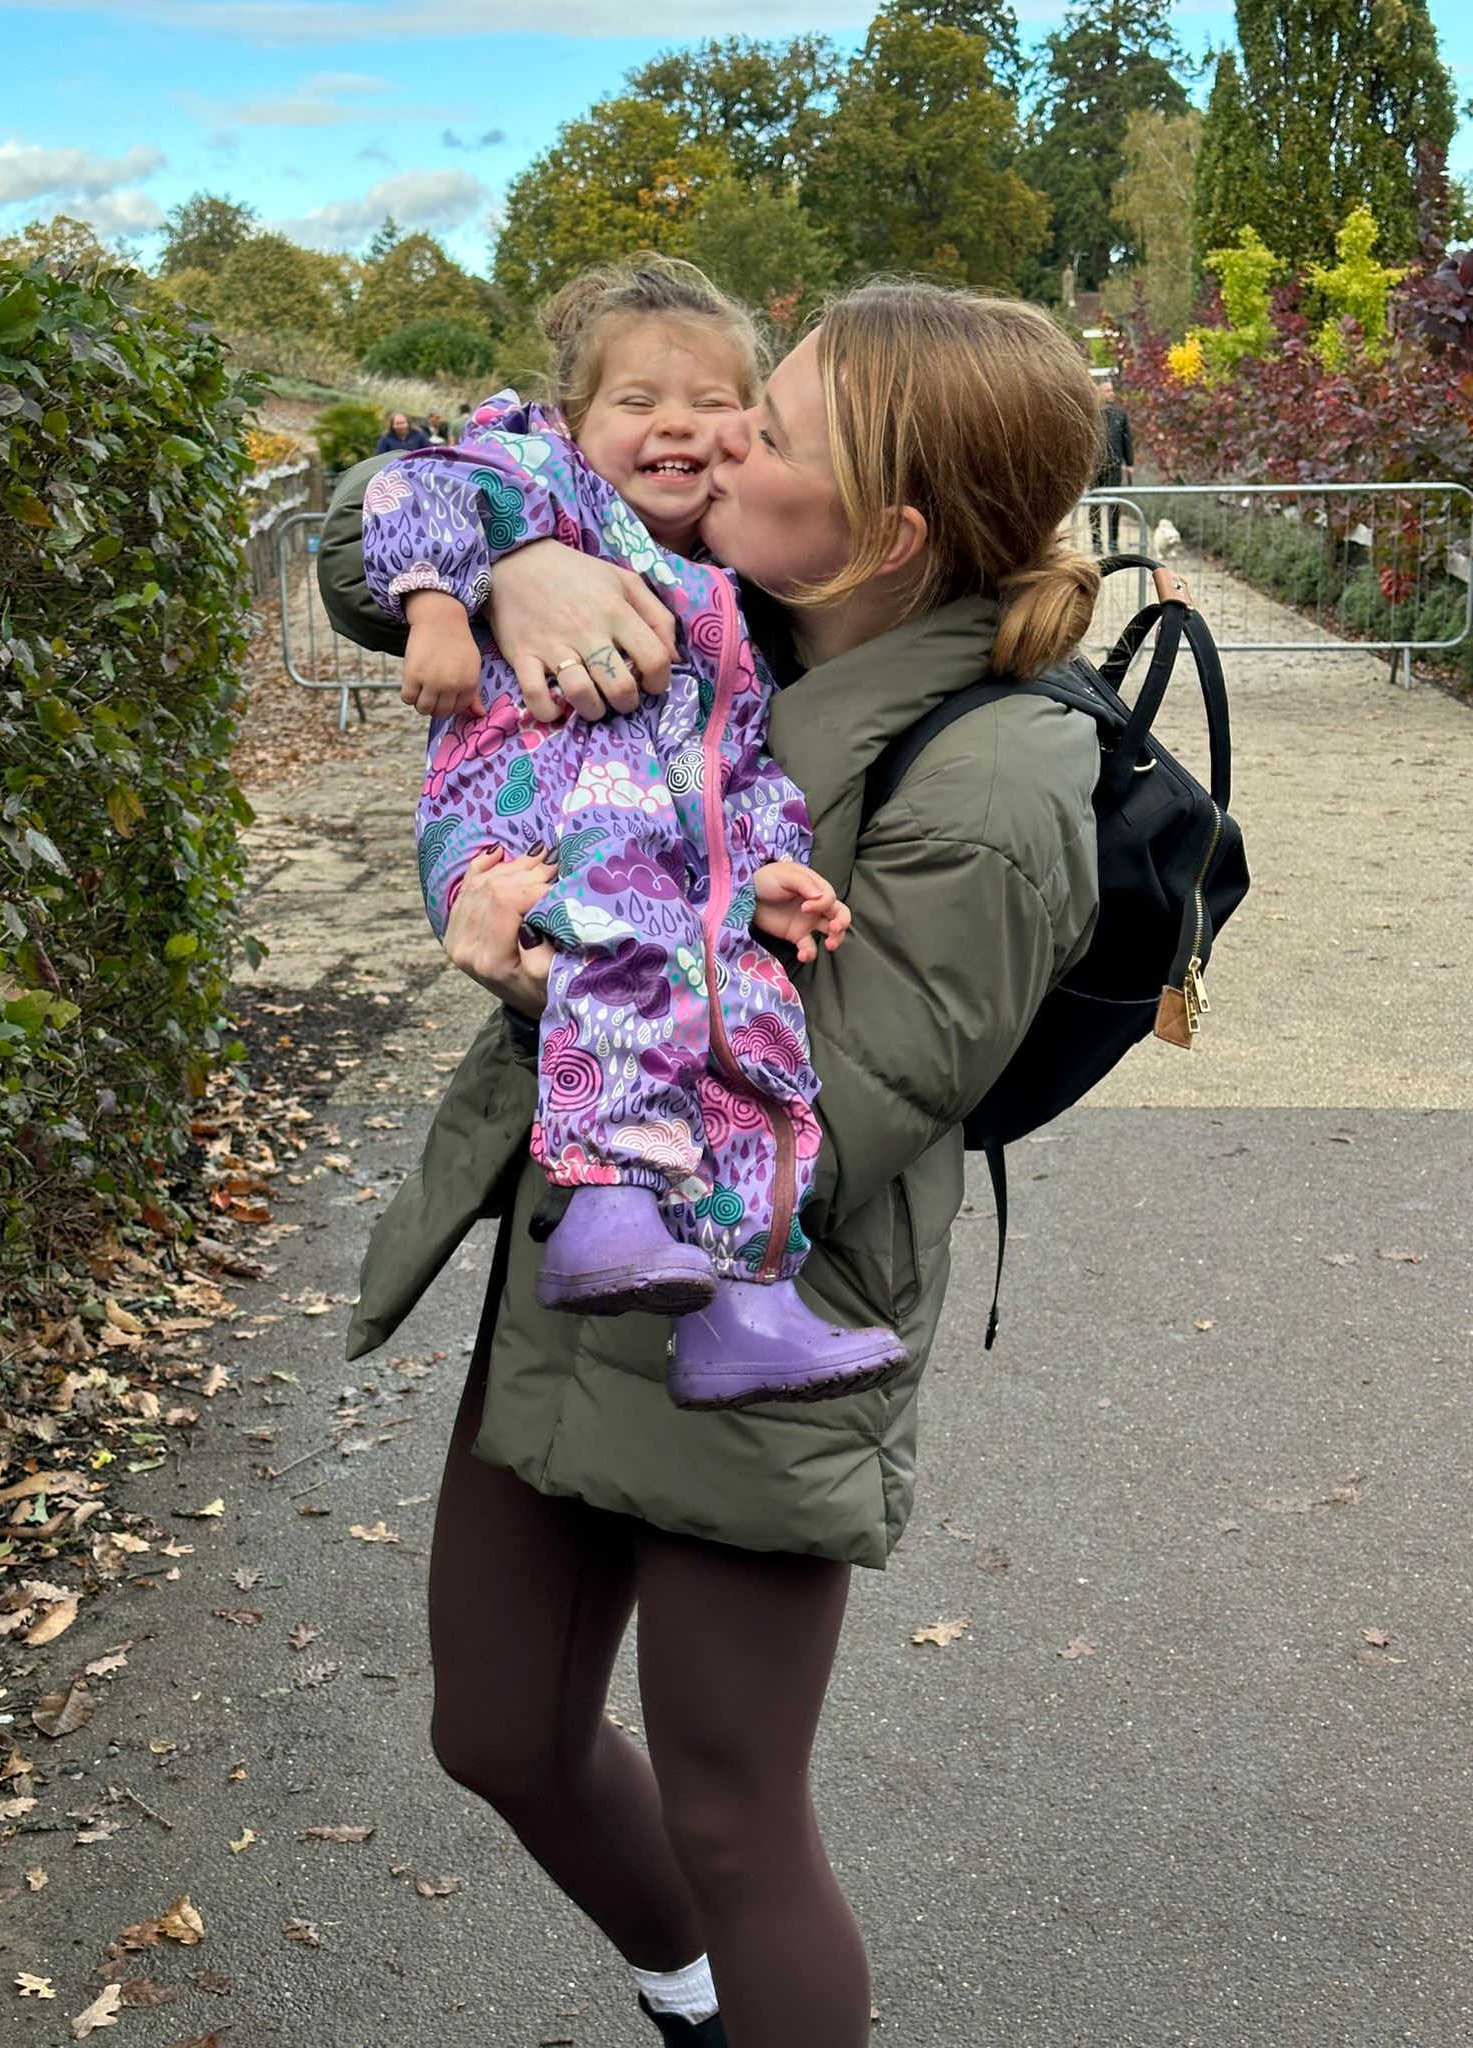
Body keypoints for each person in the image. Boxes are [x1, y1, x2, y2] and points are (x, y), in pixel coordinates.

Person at [332, 280, 1103, 2047]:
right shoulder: (722, 595)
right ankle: (692, 2000)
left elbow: (857, 1095)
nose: (718, 443)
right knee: (500, 1732)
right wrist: (520, 564)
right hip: (574, 1269)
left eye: (772, 429)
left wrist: (565, 961)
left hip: (764, 1306)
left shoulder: (998, 770)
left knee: (737, 1817)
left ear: (886, 531)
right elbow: (382, 525)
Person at [360, 258, 905, 1410]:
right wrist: (443, 607)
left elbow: (731, 753)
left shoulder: (724, 587)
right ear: (572, 417)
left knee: (752, 1017)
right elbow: (415, 485)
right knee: (631, 938)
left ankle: (746, 1296)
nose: (680, 425)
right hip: (527, 819)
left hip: (670, 856)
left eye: (716, 403)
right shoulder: (544, 484)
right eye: (639, 400)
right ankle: (608, 1197)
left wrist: (764, 862)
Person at [1088, 376, 1135, 554]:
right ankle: (1096, 542)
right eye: (1107, 390)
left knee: (1114, 504)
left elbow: (1127, 440)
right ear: (1099, 392)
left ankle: (1113, 542)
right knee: (1094, 505)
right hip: (1094, 466)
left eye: (1112, 390)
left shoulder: (1120, 414)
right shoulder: (1091, 414)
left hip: (1114, 464)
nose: (1111, 393)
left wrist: (1130, 463)